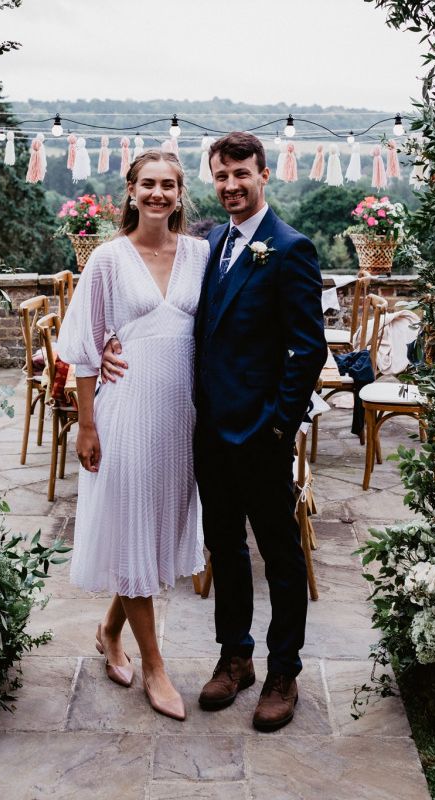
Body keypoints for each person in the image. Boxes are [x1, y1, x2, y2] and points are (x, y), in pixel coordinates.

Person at [103, 132, 328, 732]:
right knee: (224, 549)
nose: (231, 185)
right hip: (207, 431)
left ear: (263, 176)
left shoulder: (291, 248)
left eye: (241, 174)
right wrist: (109, 344)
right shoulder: (210, 246)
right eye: (222, 175)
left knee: (279, 554)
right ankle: (236, 658)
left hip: (261, 436)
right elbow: (170, 317)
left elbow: (308, 349)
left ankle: (283, 672)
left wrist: (278, 425)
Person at [57, 150, 209, 721]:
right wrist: (87, 425)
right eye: (148, 184)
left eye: (168, 184)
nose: (158, 194)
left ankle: (109, 630)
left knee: (153, 533)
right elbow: (84, 348)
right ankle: (155, 666)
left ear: (180, 192)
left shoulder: (200, 254)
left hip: (182, 418)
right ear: (130, 190)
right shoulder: (107, 259)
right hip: (125, 414)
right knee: (133, 529)